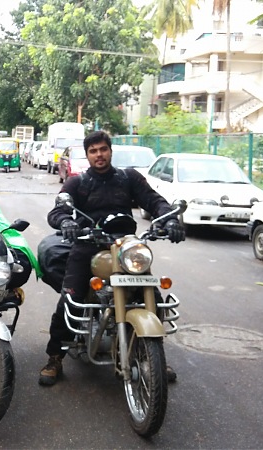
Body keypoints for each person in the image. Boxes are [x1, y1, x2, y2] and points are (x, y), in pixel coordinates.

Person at [38, 130, 186, 386]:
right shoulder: (78, 183)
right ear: (87, 155)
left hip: (126, 245)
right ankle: (55, 357)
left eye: (103, 149)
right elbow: (57, 212)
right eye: (93, 151)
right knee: (70, 298)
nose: (99, 155)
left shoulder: (128, 177)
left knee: (152, 294)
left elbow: (153, 201)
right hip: (88, 243)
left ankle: (152, 354)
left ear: (110, 151)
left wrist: (170, 218)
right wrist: (66, 223)